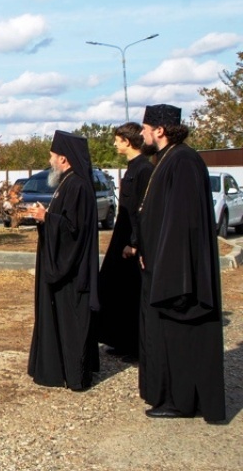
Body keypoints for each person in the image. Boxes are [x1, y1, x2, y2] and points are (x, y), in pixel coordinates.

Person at [136, 104, 224, 422]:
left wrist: (168, 266)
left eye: (145, 128)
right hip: (162, 265)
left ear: (159, 130)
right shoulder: (167, 159)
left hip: (177, 273)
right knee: (164, 336)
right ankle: (169, 395)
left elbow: (183, 223)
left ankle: (182, 401)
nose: (142, 133)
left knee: (180, 337)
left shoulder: (183, 160)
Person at [26, 130, 99, 392]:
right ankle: (58, 369)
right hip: (64, 267)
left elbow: (74, 231)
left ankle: (75, 375)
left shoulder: (77, 186)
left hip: (72, 272)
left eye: (52, 156)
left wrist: (48, 218)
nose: (50, 161)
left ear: (64, 159)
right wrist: (46, 218)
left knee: (72, 322)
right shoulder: (68, 183)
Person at [95, 122, 153, 361]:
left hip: (132, 239)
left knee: (132, 293)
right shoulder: (133, 168)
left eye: (118, 140)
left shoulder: (144, 170)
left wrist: (135, 242)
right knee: (115, 288)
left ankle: (136, 347)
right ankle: (120, 339)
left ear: (127, 142)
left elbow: (142, 210)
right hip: (122, 236)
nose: (114, 143)